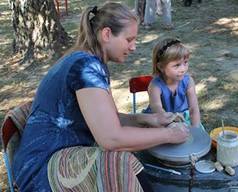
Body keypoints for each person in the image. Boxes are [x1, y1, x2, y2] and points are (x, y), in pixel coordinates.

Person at [12, 2, 189, 192]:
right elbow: (111, 138)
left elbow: (110, 119)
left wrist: (149, 119)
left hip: (51, 154)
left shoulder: (89, 62)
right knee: (120, 163)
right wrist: (169, 134)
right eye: (129, 39)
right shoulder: (86, 66)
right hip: (41, 169)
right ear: (106, 35)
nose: (134, 47)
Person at [144, 37, 201, 127]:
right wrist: (173, 124)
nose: (183, 69)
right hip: (159, 120)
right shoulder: (155, 86)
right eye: (177, 65)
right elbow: (157, 109)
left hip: (181, 117)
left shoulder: (188, 81)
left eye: (185, 62)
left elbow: (194, 108)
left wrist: (196, 128)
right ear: (161, 67)